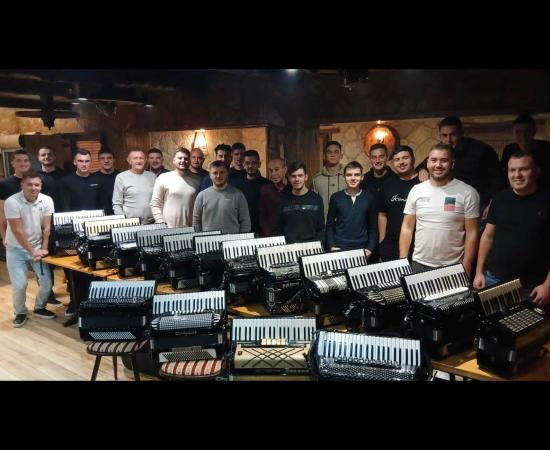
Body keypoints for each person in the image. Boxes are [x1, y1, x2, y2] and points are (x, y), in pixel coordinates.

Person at [473, 152, 550, 306]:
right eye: (512, 170)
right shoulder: (500, 199)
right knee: (492, 321)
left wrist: (548, 286)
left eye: (524, 169)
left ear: (537, 171)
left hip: (534, 286)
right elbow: (488, 236)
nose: (517, 175)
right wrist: (479, 272)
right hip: (494, 279)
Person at [400, 143, 480, 277]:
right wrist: (402, 260)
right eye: (434, 160)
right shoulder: (416, 190)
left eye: (444, 160)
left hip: (453, 266)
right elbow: (407, 227)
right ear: (427, 163)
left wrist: (467, 266)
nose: (438, 165)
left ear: (452, 163)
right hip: (419, 264)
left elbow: (472, 233)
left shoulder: (468, 193)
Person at [416, 116, 504, 220]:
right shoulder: (441, 150)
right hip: (451, 203)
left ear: (461, 133)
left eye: (453, 135)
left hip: (479, 205)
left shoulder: (482, 150)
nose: (448, 140)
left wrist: (493, 204)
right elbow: (426, 162)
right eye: (444, 135)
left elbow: (498, 179)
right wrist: (422, 169)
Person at [4, 171, 57, 327]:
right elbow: (17, 231)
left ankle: (40, 307)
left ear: (40, 186)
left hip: (38, 248)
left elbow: (47, 227)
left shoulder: (47, 200)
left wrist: (43, 249)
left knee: (46, 283)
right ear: (22, 185)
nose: (33, 188)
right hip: (16, 249)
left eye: (37, 184)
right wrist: (32, 251)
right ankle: (20, 312)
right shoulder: (12, 202)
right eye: (29, 184)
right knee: (20, 285)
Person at [326, 161, 377, 256]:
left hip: (362, 248)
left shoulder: (369, 198)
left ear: (362, 177)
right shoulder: (336, 197)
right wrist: (331, 245)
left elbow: (373, 227)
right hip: (339, 247)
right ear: (344, 177)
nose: (353, 178)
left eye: (356, 175)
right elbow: (329, 225)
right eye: (349, 175)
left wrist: (370, 248)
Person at [378, 146, 420, 261]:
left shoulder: (422, 183)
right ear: (393, 163)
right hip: (391, 246)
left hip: (416, 246)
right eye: (397, 160)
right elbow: (382, 214)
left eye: (405, 158)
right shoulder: (387, 185)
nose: (401, 162)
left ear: (413, 160)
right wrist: (382, 239)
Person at [193, 161, 251, 233]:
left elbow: (245, 222)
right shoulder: (201, 196)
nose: (218, 176)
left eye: (222, 172)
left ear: (227, 173)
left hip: (232, 239)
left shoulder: (238, 195)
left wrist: (241, 238)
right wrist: (199, 238)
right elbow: (196, 221)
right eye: (215, 173)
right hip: (208, 239)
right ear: (210, 175)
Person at [150, 147, 201, 228]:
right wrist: (161, 222)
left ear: (189, 161)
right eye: (180, 158)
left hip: (190, 228)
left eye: (186, 158)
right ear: (174, 160)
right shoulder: (163, 178)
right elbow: (155, 203)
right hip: (168, 228)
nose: (183, 161)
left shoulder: (197, 180)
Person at [277, 161, 324, 244]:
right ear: (289, 178)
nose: (297, 179)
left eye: (300, 175)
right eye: (293, 176)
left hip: (311, 247)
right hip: (289, 247)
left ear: (306, 177)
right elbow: (278, 228)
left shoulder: (316, 199)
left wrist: (316, 245)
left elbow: (321, 229)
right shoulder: (282, 199)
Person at [500, 114, 550, 189]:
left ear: (534, 131)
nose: (523, 136)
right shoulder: (509, 150)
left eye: (528, 131)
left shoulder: (546, 148)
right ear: (513, 132)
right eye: (518, 132)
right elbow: (503, 175)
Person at [112, 150, 157, 223]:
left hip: (152, 222)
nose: (138, 161)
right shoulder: (121, 177)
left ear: (145, 160)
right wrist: (122, 222)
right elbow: (117, 204)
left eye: (141, 158)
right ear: (129, 161)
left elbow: (157, 200)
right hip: (130, 223)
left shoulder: (152, 176)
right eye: (135, 158)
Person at [1, 150, 31, 246]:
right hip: (14, 237)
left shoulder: (36, 182)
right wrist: (4, 236)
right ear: (12, 163)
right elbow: (2, 213)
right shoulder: (4, 184)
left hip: (36, 235)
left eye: (26, 160)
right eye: (19, 160)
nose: (23, 163)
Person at [234, 150, 269, 234]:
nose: (250, 166)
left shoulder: (268, 185)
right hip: (243, 230)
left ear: (259, 164)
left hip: (264, 231)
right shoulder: (237, 186)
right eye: (247, 163)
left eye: (254, 163)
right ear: (243, 164)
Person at [313, 140, 345, 220]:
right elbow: (314, 203)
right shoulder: (317, 179)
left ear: (341, 156)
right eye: (329, 152)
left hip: (344, 223)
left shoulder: (348, 177)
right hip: (323, 223)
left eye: (336, 152)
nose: (332, 155)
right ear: (324, 155)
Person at [258, 158, 290, 236]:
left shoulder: (292, 188)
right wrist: (269, 234)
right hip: (271, 235)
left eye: (276, 169)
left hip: (291, 234)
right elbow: (262, 216)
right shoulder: (265, 190)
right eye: (270, 170)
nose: (273, 174)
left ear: (285, 169)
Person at [37, 146, 65, 212]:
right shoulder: (34, 176)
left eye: (50, 154)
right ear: (38, 158)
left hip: (60, 213)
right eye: (43, 155)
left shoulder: (65, 176)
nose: (47, 157)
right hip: (40, 213)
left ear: (54, 157)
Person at [93, 146, 119, 215]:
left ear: (114, 159)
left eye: (109, 158)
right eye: (102, 158)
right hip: (99, 216)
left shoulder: (121, 177)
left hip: (118, 215)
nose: (106, 161)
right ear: (98, 160)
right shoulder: (92, 178)